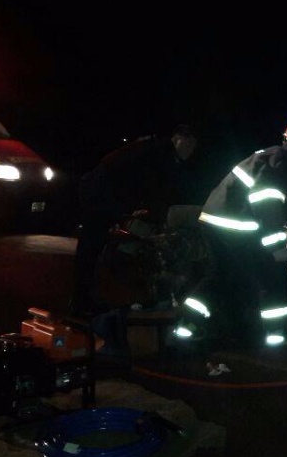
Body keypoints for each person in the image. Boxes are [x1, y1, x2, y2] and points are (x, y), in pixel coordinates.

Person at [173, 116, 287, 347]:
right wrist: (277, 250)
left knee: (220, 276)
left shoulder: (271, 158)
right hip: (233, 226)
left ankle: (188, 326)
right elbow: (267, 206)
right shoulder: (277, 164)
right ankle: (280, 334)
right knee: (271, 276)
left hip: (218, 221)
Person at [71, 124, 198, 317]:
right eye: (190, 146)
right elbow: (154, 187)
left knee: (93, 248)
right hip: (100, 193)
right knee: (91, 248)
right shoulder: (159, 153)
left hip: (102, 191)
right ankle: (81, 302)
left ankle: (86, 298)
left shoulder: (158, 149)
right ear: (180, 138)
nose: (190, 152)